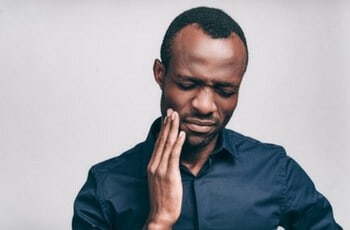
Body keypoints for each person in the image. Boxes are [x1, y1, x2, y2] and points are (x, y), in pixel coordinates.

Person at [72, 7, 342, 229]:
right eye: (188, 84)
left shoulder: (275, 171)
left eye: (225, 90)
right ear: (160, 74)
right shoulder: (105, 186)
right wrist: (158, 222)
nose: (204, 106)